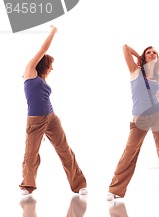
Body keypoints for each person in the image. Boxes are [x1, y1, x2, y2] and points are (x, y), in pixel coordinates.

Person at [20, 25, 87, 196]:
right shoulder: (30, 72)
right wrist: (53, 31)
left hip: (51, 117)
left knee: (64, 148)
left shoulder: (42, 79)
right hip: (35, 121)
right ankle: (27, 186)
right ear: (43, 63)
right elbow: (44, 48)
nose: (52, 68)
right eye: (50, 65)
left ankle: (79, 185)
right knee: (31, 154)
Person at [106, 44, 159, 201]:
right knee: (129, 153)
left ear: (157, 58)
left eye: (154, 53)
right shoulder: (135, 72)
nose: (152, 54)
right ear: (144, 57)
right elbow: (124, 47)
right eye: (148, 52)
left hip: (157, 114)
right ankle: (115, 189)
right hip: (139, 118)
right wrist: (139, 57)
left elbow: (157, 98)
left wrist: (144, 57)